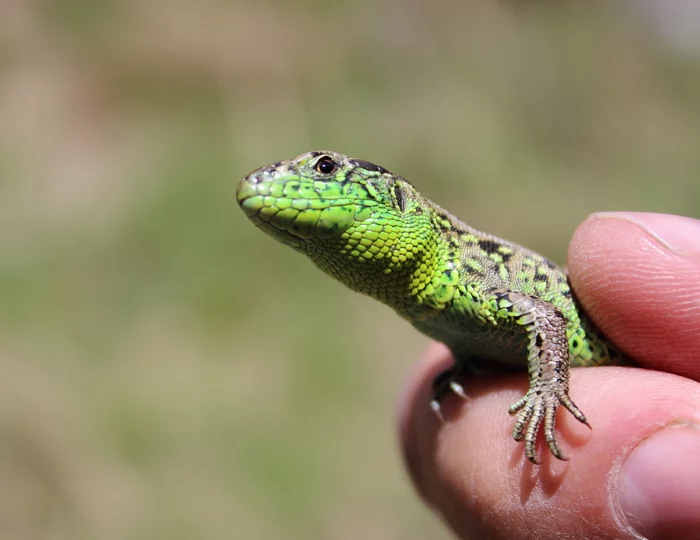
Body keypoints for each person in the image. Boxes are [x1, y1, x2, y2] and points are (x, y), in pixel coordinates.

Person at [399, 212, 700, 539]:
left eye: (330, 169)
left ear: (398, 200)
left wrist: (547, 387)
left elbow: (545, 318)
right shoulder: (416, 295)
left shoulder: (461, 268)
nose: (330, 177)